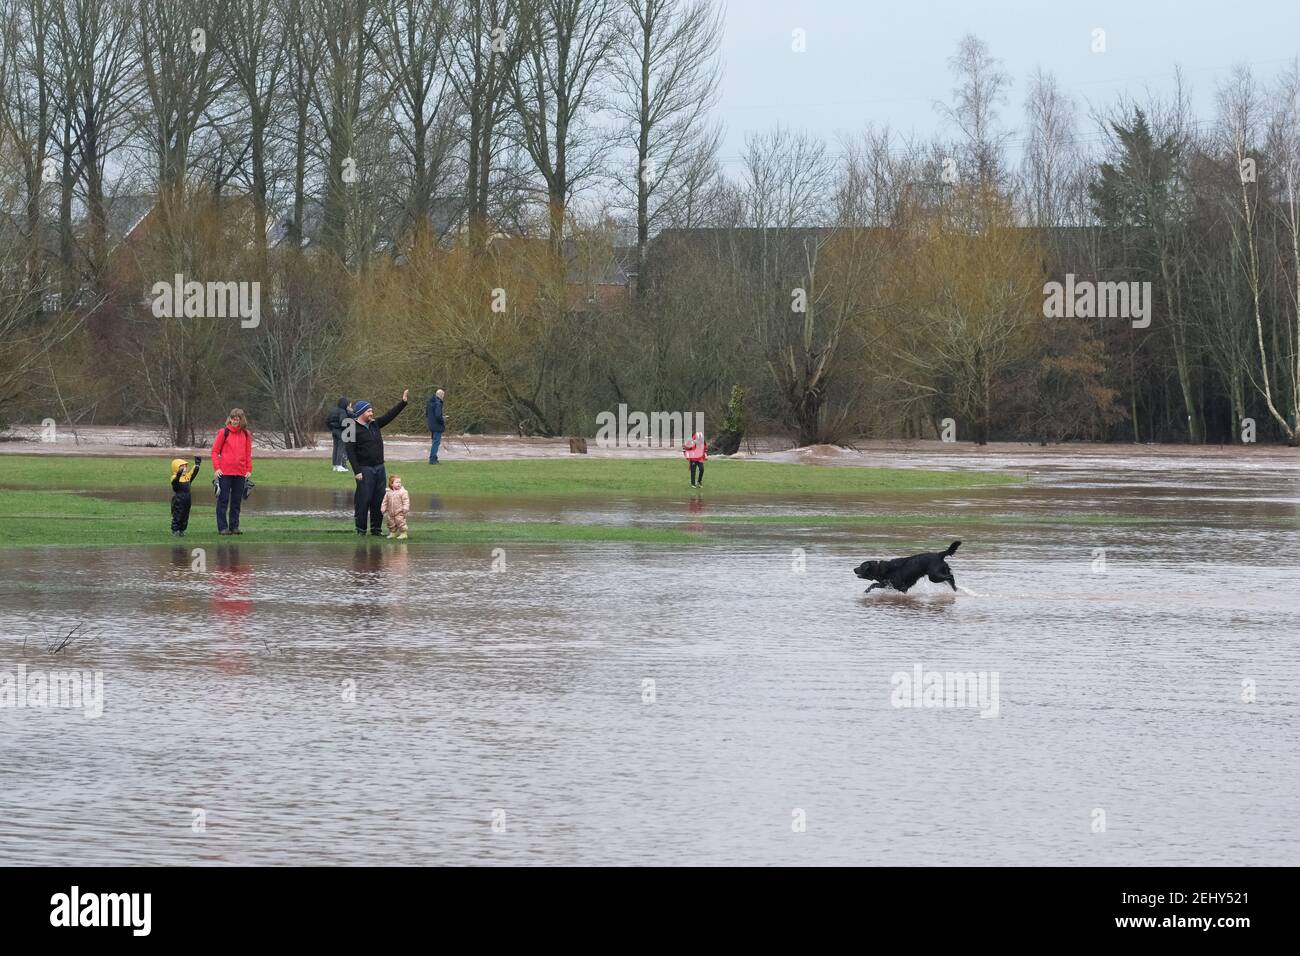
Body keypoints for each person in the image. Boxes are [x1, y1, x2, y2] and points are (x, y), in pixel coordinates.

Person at [344, 390, 409, 536]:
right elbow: (350, 452)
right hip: (364, 469)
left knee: (379, 500)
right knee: (363, 500)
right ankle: (360, 529)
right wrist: (357, 471)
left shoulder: (375, 424)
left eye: (371, 410)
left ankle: (376, 529)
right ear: (361, 413)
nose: (372, 413)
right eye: (369, 411)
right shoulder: (350, 427)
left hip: (379, 468)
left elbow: (389, 415)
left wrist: (403, 403)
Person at [212, 408, 253, 535]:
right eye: (233, 419)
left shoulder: (246, 434)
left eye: (237, 419)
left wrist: (249, 469)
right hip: (225, 473)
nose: (235, 421)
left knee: (236, 502)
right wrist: (217, 468)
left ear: (242, 420)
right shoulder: (223, 432)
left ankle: (234, 527)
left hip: (240, 473)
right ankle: (222, 528)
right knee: (223, 500)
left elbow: (248, 454)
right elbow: (214, 452)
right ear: (230, 419)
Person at [169, 456, 202, 536]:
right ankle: (175, 529)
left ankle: (182, 530)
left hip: (187, 499)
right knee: (177, 514)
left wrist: (197, 465)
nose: (184, 468)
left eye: (185, 466)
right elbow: (175, 483)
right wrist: (179, 474)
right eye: (182, 467)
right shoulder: (174, 477)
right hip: (178, 499)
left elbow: (193, 473)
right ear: (176, 468)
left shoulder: (187, 477)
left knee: (185, 515)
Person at [381, 474, 411, 539]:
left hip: (400, 511)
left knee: (400, 522)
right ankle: (392, 533)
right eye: (397, 482)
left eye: (400, 482)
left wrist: (405, 508)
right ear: (391, 484)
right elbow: (385, 501)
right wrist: (383, 508)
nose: (399, 484)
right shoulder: (388, 492)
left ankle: (403, 533)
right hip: (391, 512)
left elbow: (406, 501)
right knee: (391, 522)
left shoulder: (403, 492)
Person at [326, 396, 351, 472]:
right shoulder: (342, 412)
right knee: (341, 448)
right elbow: (343, 422)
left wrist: (332, 428)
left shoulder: (333, 410)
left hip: (334, 431)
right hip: (340, 431)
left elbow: (327, 421)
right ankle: (339, 465)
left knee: (335, 448)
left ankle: (335, 466)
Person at [425, 388, 446, 463]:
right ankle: (432, 459)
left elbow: (427, 414)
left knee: (434, 442)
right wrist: (443, 419)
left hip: (431, 425)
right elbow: (438, 416)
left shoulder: (430, 402)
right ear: (441, 395)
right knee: (436, 442)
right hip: (437, 426)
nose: (443, 397)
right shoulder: (438, 403)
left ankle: (434, 457)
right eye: (443, 395)